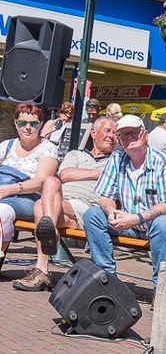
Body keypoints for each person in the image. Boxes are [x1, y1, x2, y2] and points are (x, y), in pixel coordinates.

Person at [12, 116, 117, 291]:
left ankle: (41, 269)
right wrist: (102, 173)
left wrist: (89, 173)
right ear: (93, 132)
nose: (111, 136)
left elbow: (73, 175)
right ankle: (51, 230)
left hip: (87, 207)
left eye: (115, 133)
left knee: (40, 206)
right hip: (62, 205)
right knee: (51, 182)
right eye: (107, 131)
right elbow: (66, 174)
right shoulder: (75, 154)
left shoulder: (116, 160)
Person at [82, 115, 166, 288]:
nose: (130, 137)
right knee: (92, 215)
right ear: (119, 140)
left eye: (134, 133)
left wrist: (135, 218)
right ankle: (107, 281)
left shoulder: (163, 160)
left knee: (162, 223)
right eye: (124, 134)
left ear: (145, 135)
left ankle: (161, 288)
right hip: (132, 225)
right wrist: (111, 212)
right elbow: (106, 197)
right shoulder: (116, 159)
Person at [0, 104, 59, 269]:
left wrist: (10, 189)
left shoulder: (47, 148)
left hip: (29, 197)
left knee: (2, 212)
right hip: (3, 191)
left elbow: (41, 181)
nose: (27, 127)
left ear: (40, 125)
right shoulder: (6, 145)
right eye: (22, 123)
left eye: (33, 123)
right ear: (15, 123)